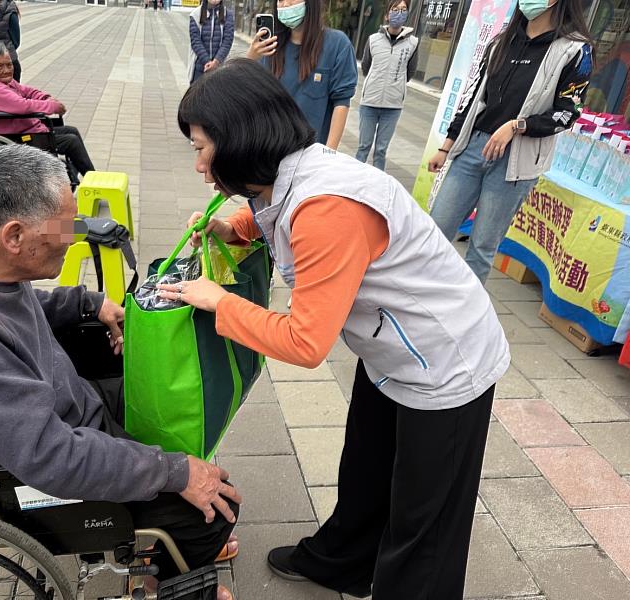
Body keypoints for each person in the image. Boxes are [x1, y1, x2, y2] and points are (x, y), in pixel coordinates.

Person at [161, 58, 509, 599]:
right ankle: (343, 562)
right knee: (367, 469)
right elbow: (279, 209)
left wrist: (218, 303)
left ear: (242, 140)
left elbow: (305, 343)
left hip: (444, 362)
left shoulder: (329, 206)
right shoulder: (293, 171)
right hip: (392, 349)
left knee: (426, 520)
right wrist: (234, 227)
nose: (201, 167)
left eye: (202, 147)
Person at [0, 144, 238, 600]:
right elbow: (49, 456)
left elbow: (14, 301)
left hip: (63, 407)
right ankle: (181, 578)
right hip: (21, 467)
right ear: (13, 236)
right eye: (62, 228)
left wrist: (87, 303)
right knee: (216, 507)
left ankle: (180, 548)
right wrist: (173, 471)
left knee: (178, 400)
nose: (73, 236)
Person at [428, 0, 592, 284]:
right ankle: (415, 294)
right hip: (473, 148)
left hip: (515, 163)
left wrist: (518, 127)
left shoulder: (575, 50)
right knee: (434, 230)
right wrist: (447, 146)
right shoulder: (501, 43)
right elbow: (474, 100)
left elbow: (567, 113)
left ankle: (462, 318)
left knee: (481, 248)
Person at [246, 0, 357, 149]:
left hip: (312, 154)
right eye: (280, 0)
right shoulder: (270, 47)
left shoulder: (337, 44)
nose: (284, 4)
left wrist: (329, 153)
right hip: (272, 151)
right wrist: (250, 58)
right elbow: (246, 93)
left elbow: (341, 103)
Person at [0, 42, 95, 178]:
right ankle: (94, 179)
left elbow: (28, 91)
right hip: (17, 135)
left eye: (9, 64)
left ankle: (86, 176)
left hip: (28, 128)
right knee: (71, 141)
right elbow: (22, 105)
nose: (6, 70)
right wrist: (52, 107)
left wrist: (46, 98)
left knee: (71, 131)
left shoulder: (4, 81)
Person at [355, 0, 418, 171]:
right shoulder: (373, 39)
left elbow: (410, 72)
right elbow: (366, 67)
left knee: (381, 151)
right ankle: (353, 182)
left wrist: (395, 85)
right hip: (370, 102)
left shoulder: (412, 43)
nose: (399, 13)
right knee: (363, 148)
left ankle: (378, 187)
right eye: (395, 9)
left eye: (403, 10)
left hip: (393, 106)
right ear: (387, 14)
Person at [188, 0, 235, 84]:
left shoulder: (228, 15)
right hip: (199, 67)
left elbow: (227, 41)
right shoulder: (195, 14)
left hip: (220, 68)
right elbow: (195, 41)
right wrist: (207, 62)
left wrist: (216, 62)